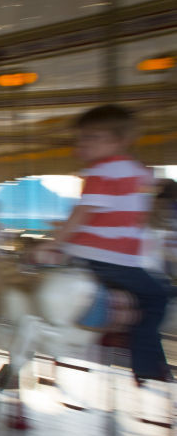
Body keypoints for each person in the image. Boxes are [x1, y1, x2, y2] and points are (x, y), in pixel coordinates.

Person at [49, 104, 172, 381]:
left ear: (120, 140)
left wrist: (57, 243)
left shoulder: (104, 171)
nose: (82, 145)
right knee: (157, 298)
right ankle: (148, 368)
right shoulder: (126, 171)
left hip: (100, 255)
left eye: (92, 137)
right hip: (110, 258)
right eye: (81, 138)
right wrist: (54, 243)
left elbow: (88, 213)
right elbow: (84, 212)